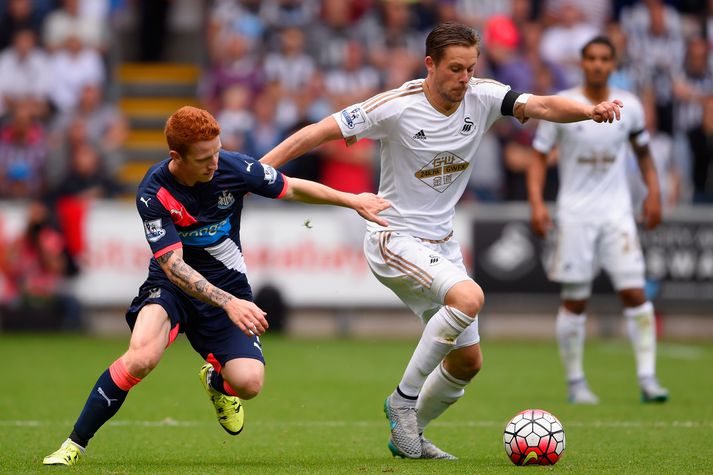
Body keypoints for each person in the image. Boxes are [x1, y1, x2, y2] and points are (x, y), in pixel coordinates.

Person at [260, 22, 624, 460]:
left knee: (466, 363)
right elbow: (317, 132)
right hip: (393, 236)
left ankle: (409, 435)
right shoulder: (396, 106)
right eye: (455, 69)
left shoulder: (485, 96)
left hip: (443, 243)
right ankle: (402, 402)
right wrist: (256, 170)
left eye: (471, 68)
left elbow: (543, 104)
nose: (464, 78)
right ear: (429, 64)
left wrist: (589, 111)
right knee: (469, 297)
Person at [42, 106, 390, 466]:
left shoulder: (232, 167)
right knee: (142, 356)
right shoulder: (154, 191)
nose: (214, 163)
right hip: (172, 286)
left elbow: (291, 187)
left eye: (218, 151)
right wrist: (229, 303)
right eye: (205, 157)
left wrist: (352, 200)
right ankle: (73, 445)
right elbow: (174, 266)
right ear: (177, 156)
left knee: (250, 383)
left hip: (228, 284)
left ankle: (216, 383)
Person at [526, 36, 669, 405]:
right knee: (575, 299)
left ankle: (648, 378)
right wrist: (537, 203)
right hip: (574, 214)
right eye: (591, 58)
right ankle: (576, 383)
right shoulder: (563, 104)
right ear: (582, 62)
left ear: (613, 62)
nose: (597, 64)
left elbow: (644, 154)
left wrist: (654, 193)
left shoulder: (631, 106)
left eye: (604, 58)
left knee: (634, 293)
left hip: (617, 213)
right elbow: (538, 157)